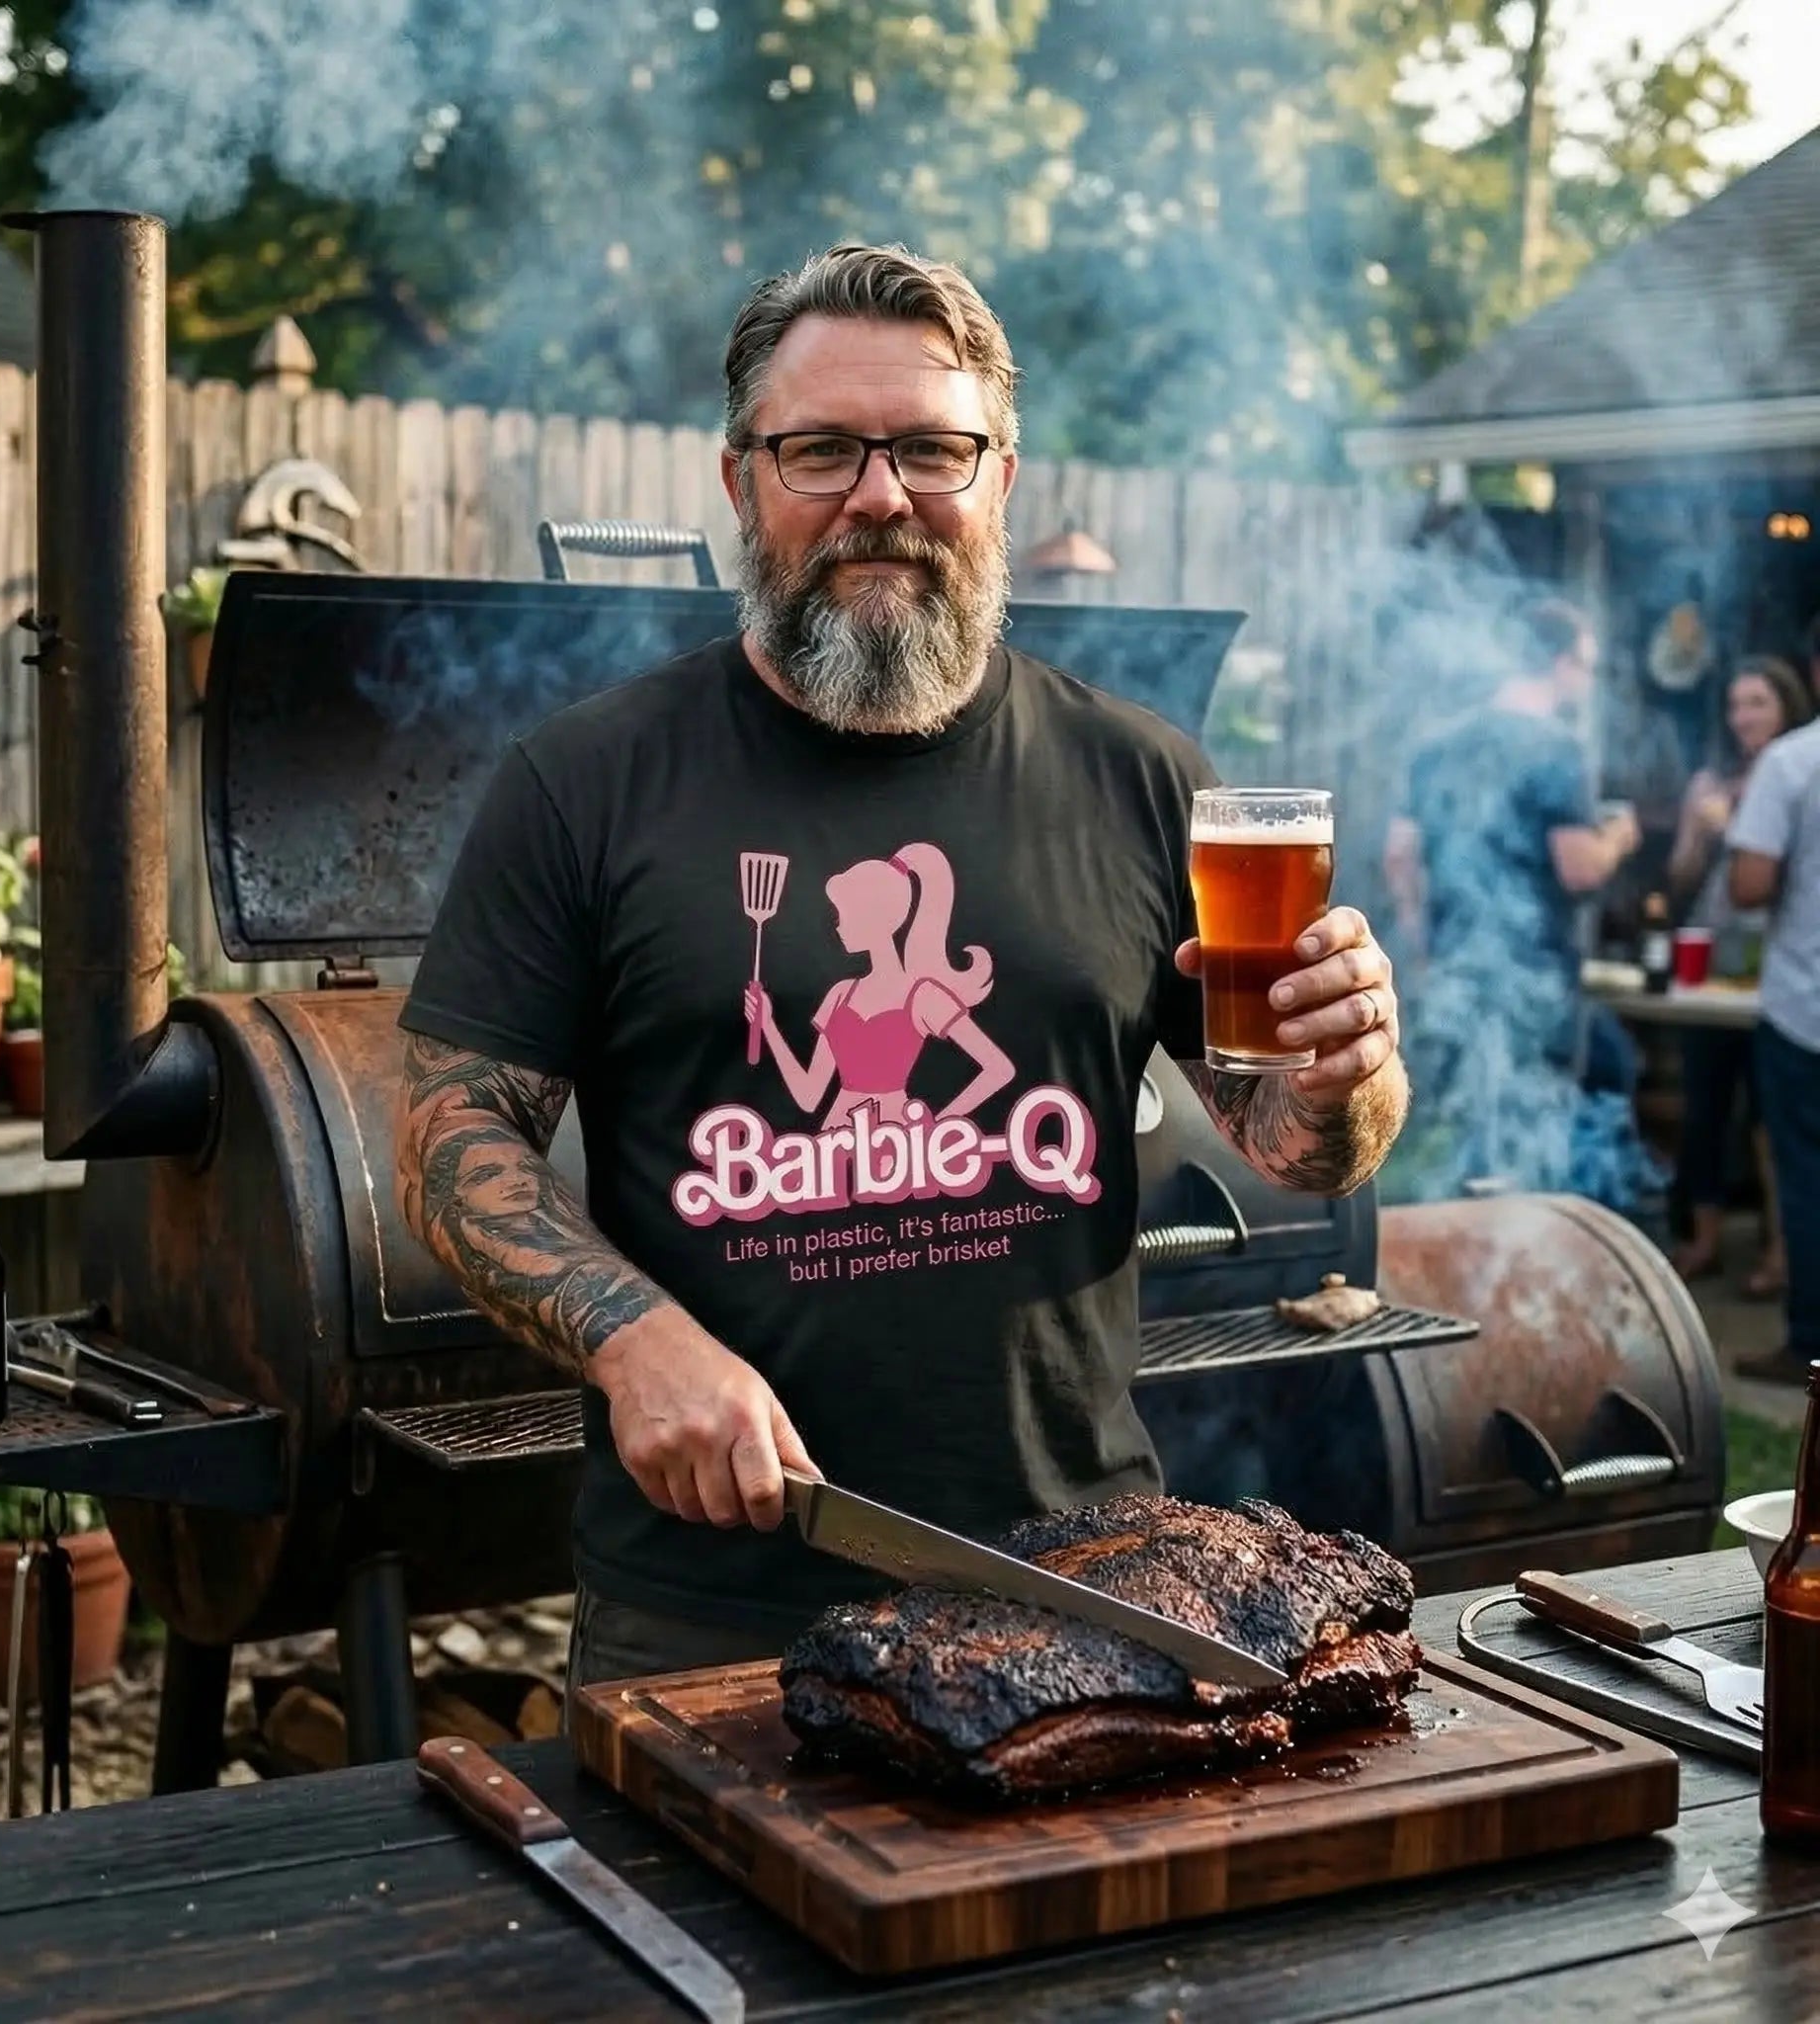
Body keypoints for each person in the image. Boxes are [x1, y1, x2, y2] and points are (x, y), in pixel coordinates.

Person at [392, 244, 1410, 1687]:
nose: (881, 495)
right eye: (823, 451)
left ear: (1000, 477)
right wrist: (633, 1341)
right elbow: (447, 1140)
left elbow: (1298, 1151)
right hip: (713, 1597)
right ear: (745, 480)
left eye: (931, 448)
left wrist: (1344, 1076)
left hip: (1082, 1581)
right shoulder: (587, 784)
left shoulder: (1139, 776)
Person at [1383, 598, 1639, 1194]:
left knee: (1465, 1123)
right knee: (1539, 1125)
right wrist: (1620, 839)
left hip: (1456, 966)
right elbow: (1579, 868)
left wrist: (1424, 944)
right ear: (1557, 661)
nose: (1587, 679)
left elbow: (1400, 854)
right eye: (1586, 664)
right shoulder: (1556, 747)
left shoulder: (1441, 742)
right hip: (1534, 978)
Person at [1666, 656, 1811, 1291]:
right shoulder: (1711, 783)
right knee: (1706, 1102)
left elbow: (1759, 882)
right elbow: (1679, 882)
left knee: (1771, 1122)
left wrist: (1739, 837)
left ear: (1786, 705)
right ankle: (1704, 1239)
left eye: (1758, 702)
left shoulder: (1793, 772)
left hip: (1780, 968)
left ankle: (1783, 1252)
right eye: (1736, 705)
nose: (1745, 716)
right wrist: (1699, 834)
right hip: (1713, 955)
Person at [1726, 702, 1820, 1386]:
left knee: (1808, 1181)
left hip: (1806, 1009)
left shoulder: (1792, 761)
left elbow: (1748, 885)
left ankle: (1811, 1346)